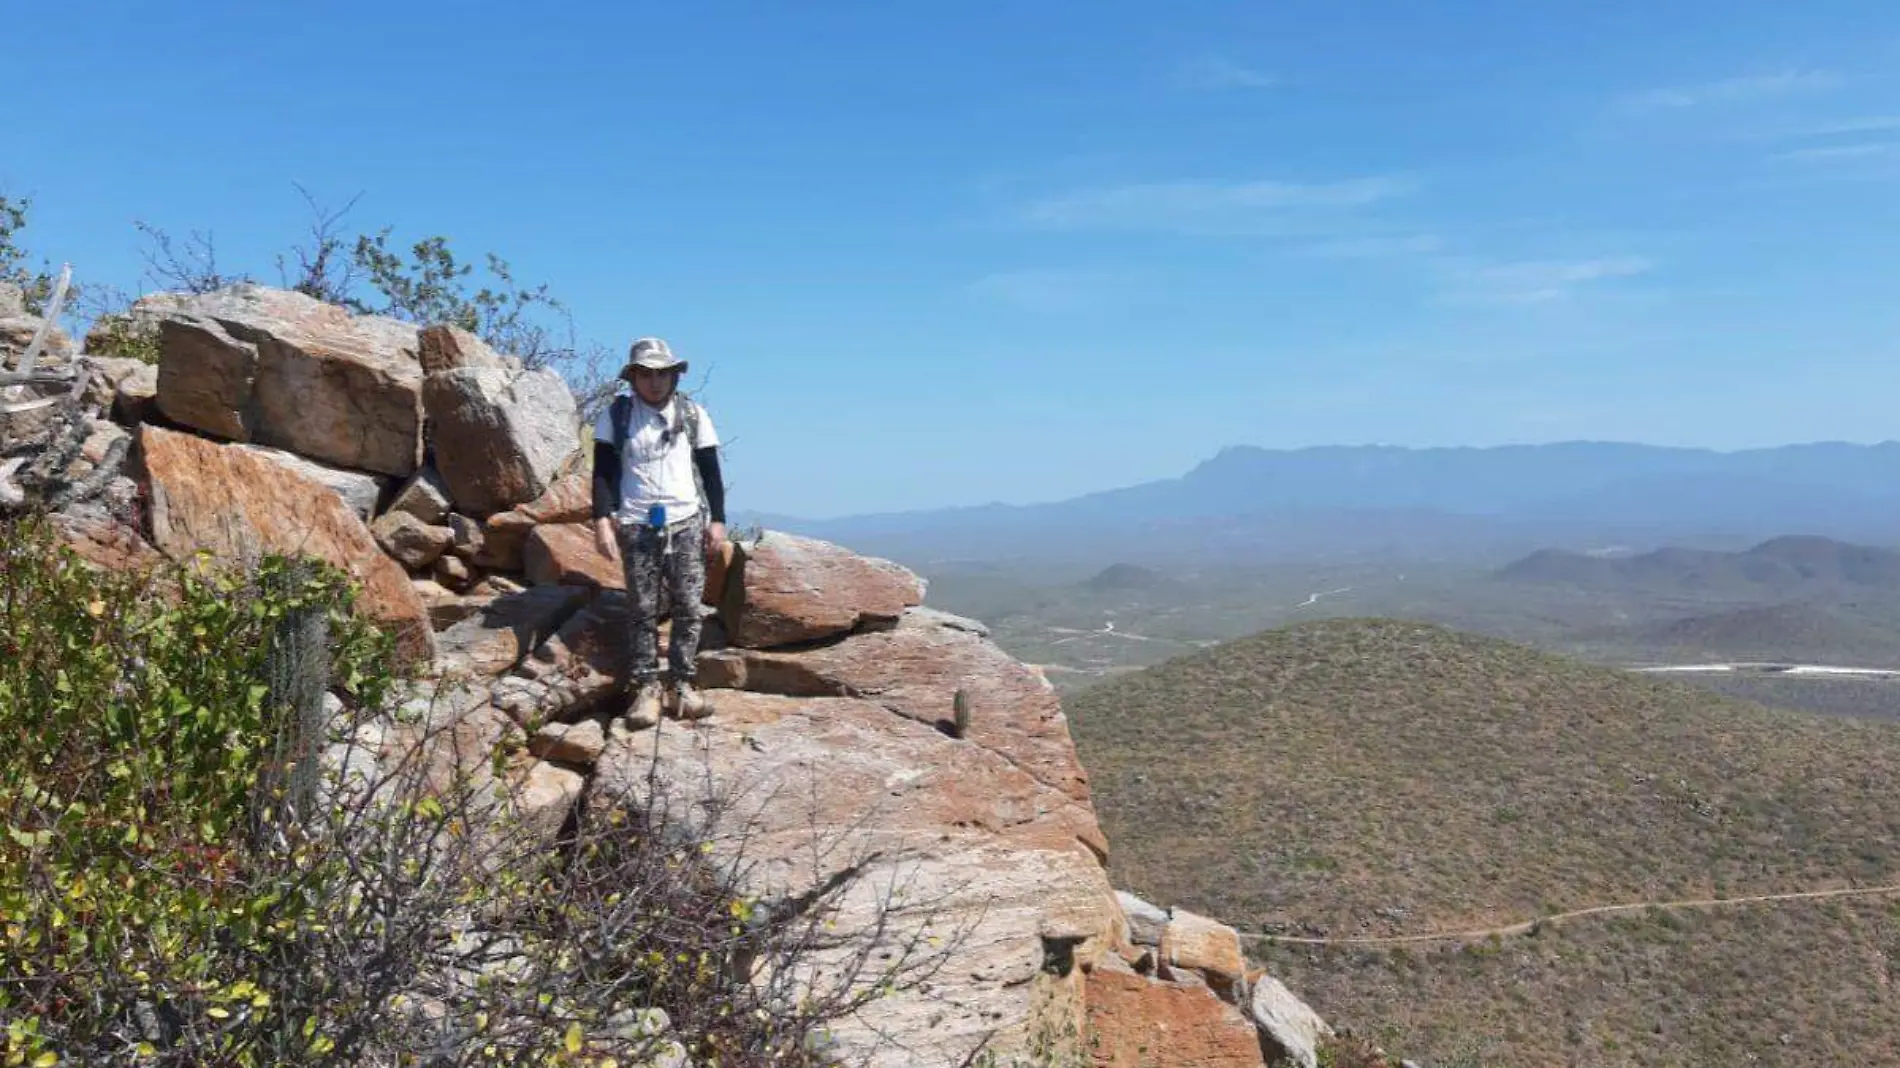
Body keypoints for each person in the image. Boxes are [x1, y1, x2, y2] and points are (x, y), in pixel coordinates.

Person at [591, 337, 728, 724]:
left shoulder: (693, 414)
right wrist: (602, 519)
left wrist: (717, 519)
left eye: (662, 374)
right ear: (632, 377)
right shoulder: (616, 416)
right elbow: (602, 471)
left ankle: (682, 685)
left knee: (688, 606)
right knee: (641, 609)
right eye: (646, 374)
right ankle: (647, 689)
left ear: (674, 375)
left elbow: (711, 470)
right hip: (636, 524)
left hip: (685, 521)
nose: (655, 382)